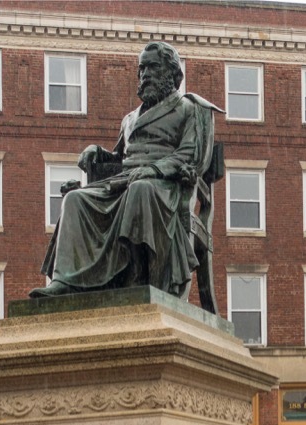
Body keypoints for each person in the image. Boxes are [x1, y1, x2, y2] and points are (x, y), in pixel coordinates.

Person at [30, 41, 220, 300]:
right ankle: (67, 281)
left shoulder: (190, 108)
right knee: (75, 199)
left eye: (153, 67)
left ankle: (138, 279)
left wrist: (153, 169)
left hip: (164, 186)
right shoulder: (130, 118)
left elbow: (190, 155)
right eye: (141, 69)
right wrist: (98, 152)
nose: (145, 74)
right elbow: (120, 157)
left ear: (173, 74)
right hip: (124, 183)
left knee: (140, 190)